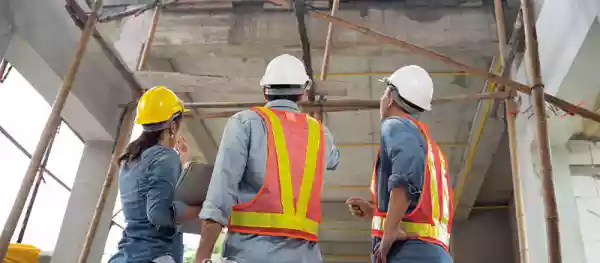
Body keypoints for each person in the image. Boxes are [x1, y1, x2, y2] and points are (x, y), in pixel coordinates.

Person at [193, 54, 341, 263]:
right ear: (302, 93)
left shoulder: (245, 123)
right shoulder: (319, 133)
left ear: (265, 90)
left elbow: (220, 195)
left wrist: (201, 256)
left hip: (250, 254)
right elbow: (334, 159)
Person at [346, 65, 454, 263]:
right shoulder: (429, 146)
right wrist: (376, 213)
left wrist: (390, 232)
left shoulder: (396, 125)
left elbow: (405, 180)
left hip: (410, 253)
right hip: (433, 252)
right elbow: (419, 204)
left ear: (391, 98)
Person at [108, 86, 202, 263]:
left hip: (128, 255)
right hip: (154, 256)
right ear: (173, 124)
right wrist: (200, 210)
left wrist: (180, 162)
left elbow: (150, 193)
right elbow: (158, 214)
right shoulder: (165, 156)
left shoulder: (131, 158)